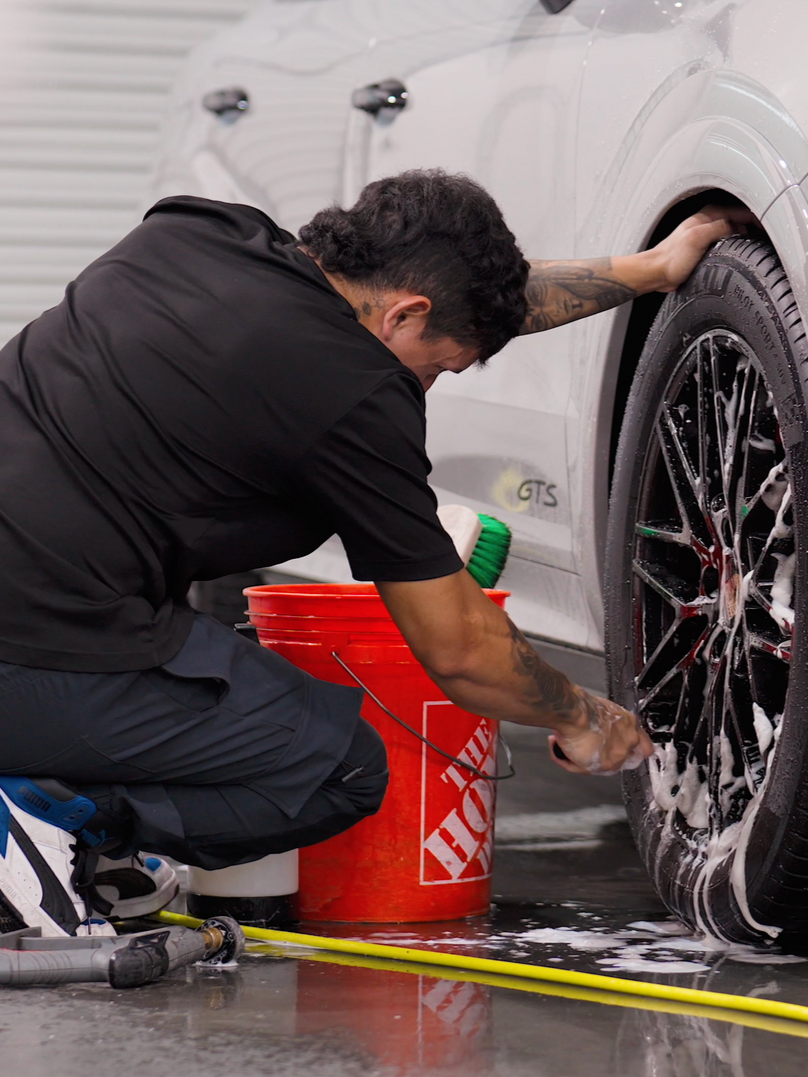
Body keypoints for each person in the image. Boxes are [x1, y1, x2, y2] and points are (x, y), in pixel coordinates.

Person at [0, 170, 752, 936]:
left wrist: (651, 269)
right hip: (35, 649)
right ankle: (50, 812)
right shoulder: (354, 396)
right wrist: (584, 716)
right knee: (339, 767)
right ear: (405, 315)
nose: (424, 386)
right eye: (437, 368)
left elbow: (459, 304)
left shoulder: (200, 233)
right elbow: (459, 653)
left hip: (41, 606)